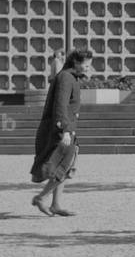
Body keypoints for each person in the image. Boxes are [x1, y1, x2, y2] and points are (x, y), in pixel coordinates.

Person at [30, 47, 93, 217]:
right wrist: (64, 130)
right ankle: (41, 198)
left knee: (67, 165)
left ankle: (55, 204)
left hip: (66, 129)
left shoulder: (70, 77)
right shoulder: (66, 77)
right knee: (63, 166)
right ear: (76, 63)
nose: (88, 68)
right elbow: (60, 105)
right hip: (60, 130)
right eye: (86, 65)